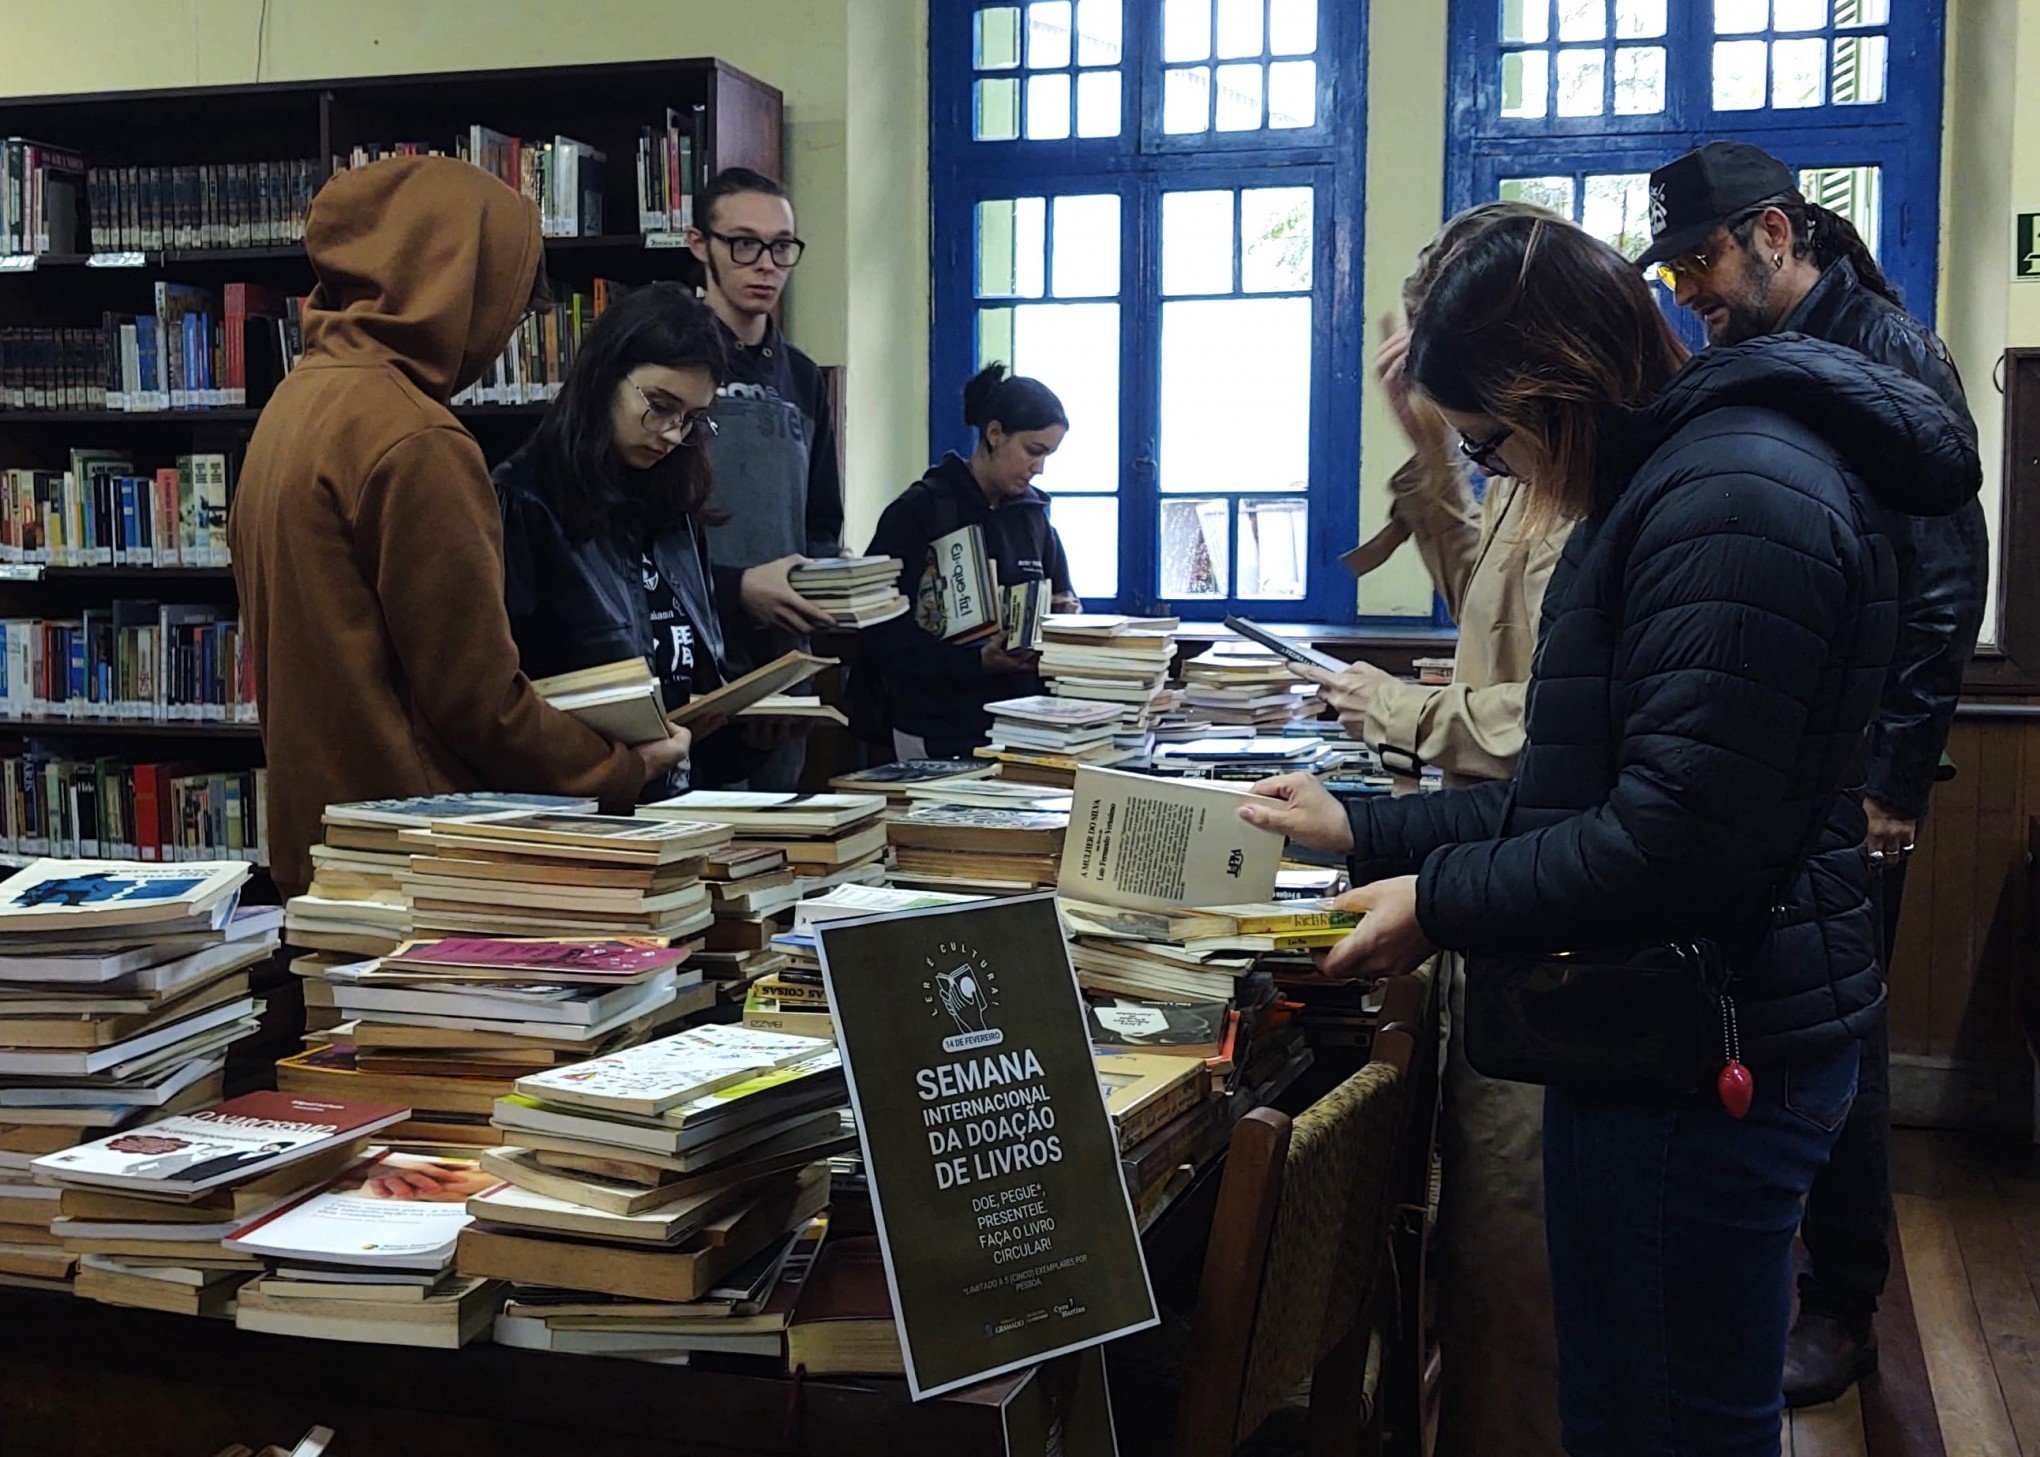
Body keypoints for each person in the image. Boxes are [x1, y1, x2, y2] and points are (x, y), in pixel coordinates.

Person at [1241, 210, 1979, 1456]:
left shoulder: (1735, 491)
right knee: (1631, 1406)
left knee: (1669, 1424)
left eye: (1492, 441)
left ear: (1552, 388)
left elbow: (1672, 839)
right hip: (1665, 1033)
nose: (1503, 472)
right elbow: (1585, 784)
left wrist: (1440, 898)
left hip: (1699, 1047)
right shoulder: (1681, 476)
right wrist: (1368, 829)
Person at [1635, 140, 1989, 1406]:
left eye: (1701, 261)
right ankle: (1784, 1276)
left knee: (1840, 1030)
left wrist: (1895, 776)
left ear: (1776, 235)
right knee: (1788, 1025)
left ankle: (1841, 1304)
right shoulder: (1758, 356)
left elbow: (1945, 586)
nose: (1688, 290)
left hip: (1855, 777)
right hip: (1784, 759)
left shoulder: (1887, 356)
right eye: (1672, 269)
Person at [230, 156, 688, 899]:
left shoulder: (293, 406)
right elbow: (479, 705)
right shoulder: (417, 440)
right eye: (503, 300)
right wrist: (623, 767)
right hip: (423, 858)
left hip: (324, 854)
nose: (507, 333)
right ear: (451, 281)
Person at [1311, 202, 1575, 1457]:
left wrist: (1407, 714)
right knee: (1475, 1254)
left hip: (1547, 926)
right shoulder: (1533, 461)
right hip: (1492, 888)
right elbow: (1492, 597)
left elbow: (1576, 718)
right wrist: (1425, 444)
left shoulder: (1601, 470)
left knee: (1516, 1267)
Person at [494, 282, 823, 793]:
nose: (672, 433)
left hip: (674, 814)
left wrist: (752, 738)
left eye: (692, 419)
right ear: (604, 377)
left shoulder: (675, 511)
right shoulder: (525, 503)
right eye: (660, 405)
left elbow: (688, 734)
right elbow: (505, 711)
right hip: (579, 822)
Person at [687, 166, 842, 788]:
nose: (766, 264)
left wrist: (833, 595)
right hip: (691, 650)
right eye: (744, 243)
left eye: (782, 247)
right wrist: (733, 589)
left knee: (777, 854)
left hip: (781, 660)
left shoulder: (803, 378)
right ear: (701, 244)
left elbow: (821, 521)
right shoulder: (669, 367)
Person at [858, 364, 1080, 760]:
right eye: (1033, 451)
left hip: (1019, 727)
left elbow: (1062, 596)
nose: (1040, 467)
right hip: (934, 724)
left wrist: (1063, 621)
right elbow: (878, 630)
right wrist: (975, 661)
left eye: (1049, 455)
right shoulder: (920, 510)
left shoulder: (1034, 517)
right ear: (994, 434)